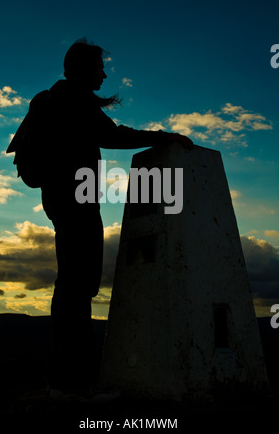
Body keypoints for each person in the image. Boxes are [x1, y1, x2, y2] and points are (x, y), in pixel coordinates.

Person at [40, 38, 193, 398]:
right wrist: (163, 136)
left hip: (64, 199)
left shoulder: (60, 97)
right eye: (99, 67)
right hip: (75, 201)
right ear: (82, 69)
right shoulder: (73, 99)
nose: (104, 73)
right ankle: (75, 382)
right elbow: (111, 135)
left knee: (72, 285)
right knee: (78, 286)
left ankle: (65, 378)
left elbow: (104, 134)